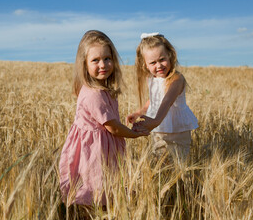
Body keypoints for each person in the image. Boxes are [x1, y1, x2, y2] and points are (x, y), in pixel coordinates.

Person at [59, 30, 149, 207]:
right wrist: (134, 134)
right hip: (93, 151)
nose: (103, 64)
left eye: (107, 58)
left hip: (104, 147)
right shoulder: (93, 95)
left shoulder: (103, 90)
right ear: (84, 64)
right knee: (94, 188)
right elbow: (114, 128)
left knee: (105, 188)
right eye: (95, 60)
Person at [127, 32, 198, 162]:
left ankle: (182, 182)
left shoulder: (177, 79)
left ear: (170, 56)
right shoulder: (151, 79)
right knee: (160, 162)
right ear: (145, 65)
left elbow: (167, 101)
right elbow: (154, 99)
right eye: (153, 62)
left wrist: (155, 121)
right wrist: (140, 112)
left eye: (162, 59)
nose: (159, 65)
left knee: (179, 162)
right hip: (158, 129)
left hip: (177, 129)